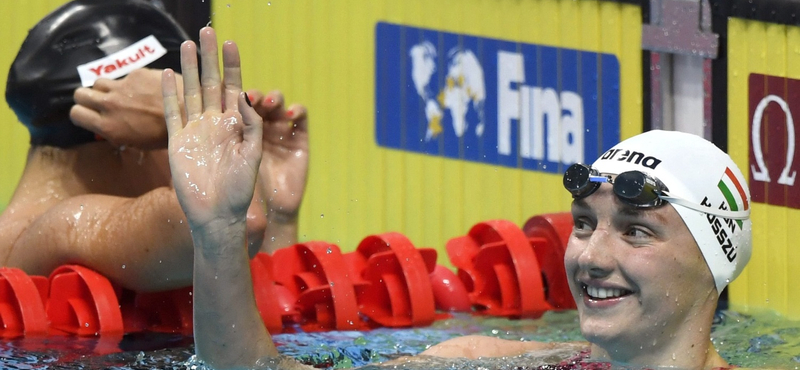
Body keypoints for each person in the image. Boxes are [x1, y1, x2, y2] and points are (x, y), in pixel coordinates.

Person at [168, 26, 751, 370]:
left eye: (635, 230)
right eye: (582, 224)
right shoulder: (488, 361)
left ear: (713, 261)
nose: (592, 258)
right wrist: (217, 232)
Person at [0, 0, 308, 292]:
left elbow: (270, 321)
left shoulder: (80, 236)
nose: (190, 144)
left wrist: (279, 215)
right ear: (121, 137)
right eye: (180, 133)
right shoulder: (57, 230)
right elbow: (234, 230)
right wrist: (185, 115)